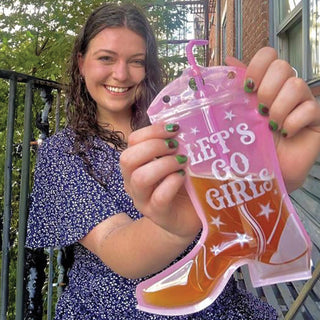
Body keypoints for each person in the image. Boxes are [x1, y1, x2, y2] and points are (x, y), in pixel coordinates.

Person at [26, 2, 320, 320]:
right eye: (106, 59)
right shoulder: (63, 152)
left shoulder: (186, 128)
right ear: (82, 64)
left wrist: (270, 174)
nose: (121, 74)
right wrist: (180, 224)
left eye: (136, 61)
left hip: (214, 304)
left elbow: (238, 217)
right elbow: (118, 247)